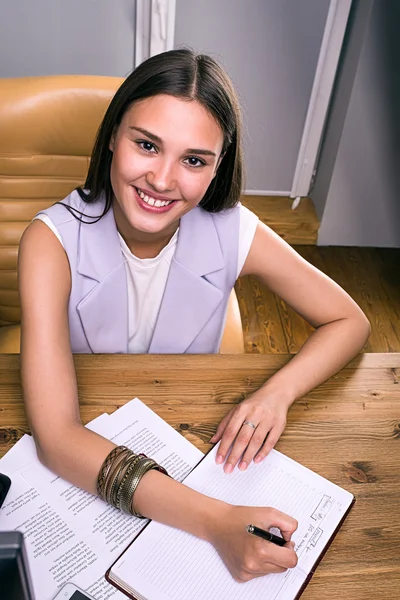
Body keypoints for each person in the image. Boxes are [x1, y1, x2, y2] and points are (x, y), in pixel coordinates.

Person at [18, 48, 370, 583]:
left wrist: (276, 393)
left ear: (216, 168)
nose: (162, 179)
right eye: (146, 145)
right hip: (97, 437)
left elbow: (351, 322)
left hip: (186, 430)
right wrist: (217, 522)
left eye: (194, 160)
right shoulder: (50, 241)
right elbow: (58, 438)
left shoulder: (233, 229)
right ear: (113, 135)